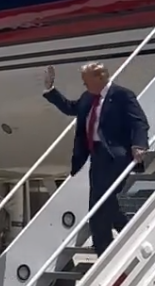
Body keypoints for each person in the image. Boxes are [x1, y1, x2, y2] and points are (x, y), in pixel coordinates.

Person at [42, 62, 149, 255]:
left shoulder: (122, 95)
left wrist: (139, 145)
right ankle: (108, 249)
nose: (84, 85)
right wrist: (51, 90)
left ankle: (117, 246)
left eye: (86, 81)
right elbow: (70, 108)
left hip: (117, 156)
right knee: (99, 206)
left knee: (103, 203)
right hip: (97, 157)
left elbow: (139, 121)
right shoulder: (87, 97)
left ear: (100, 77)